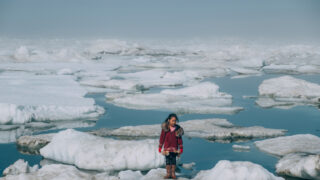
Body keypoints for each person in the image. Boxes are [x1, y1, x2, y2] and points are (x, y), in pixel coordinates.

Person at [158, 113, 184, 179]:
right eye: (173, 120)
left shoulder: (177, 129)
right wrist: (160, 146)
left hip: (174, 148)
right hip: (167, 148)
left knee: (173, 161)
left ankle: (173, 174)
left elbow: (179, 139)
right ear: (169, 120)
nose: (174, 122)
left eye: (175, 121)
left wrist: (181, 148)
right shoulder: (165, 128)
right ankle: (168, 174)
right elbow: (162, 137)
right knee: (167, 161)